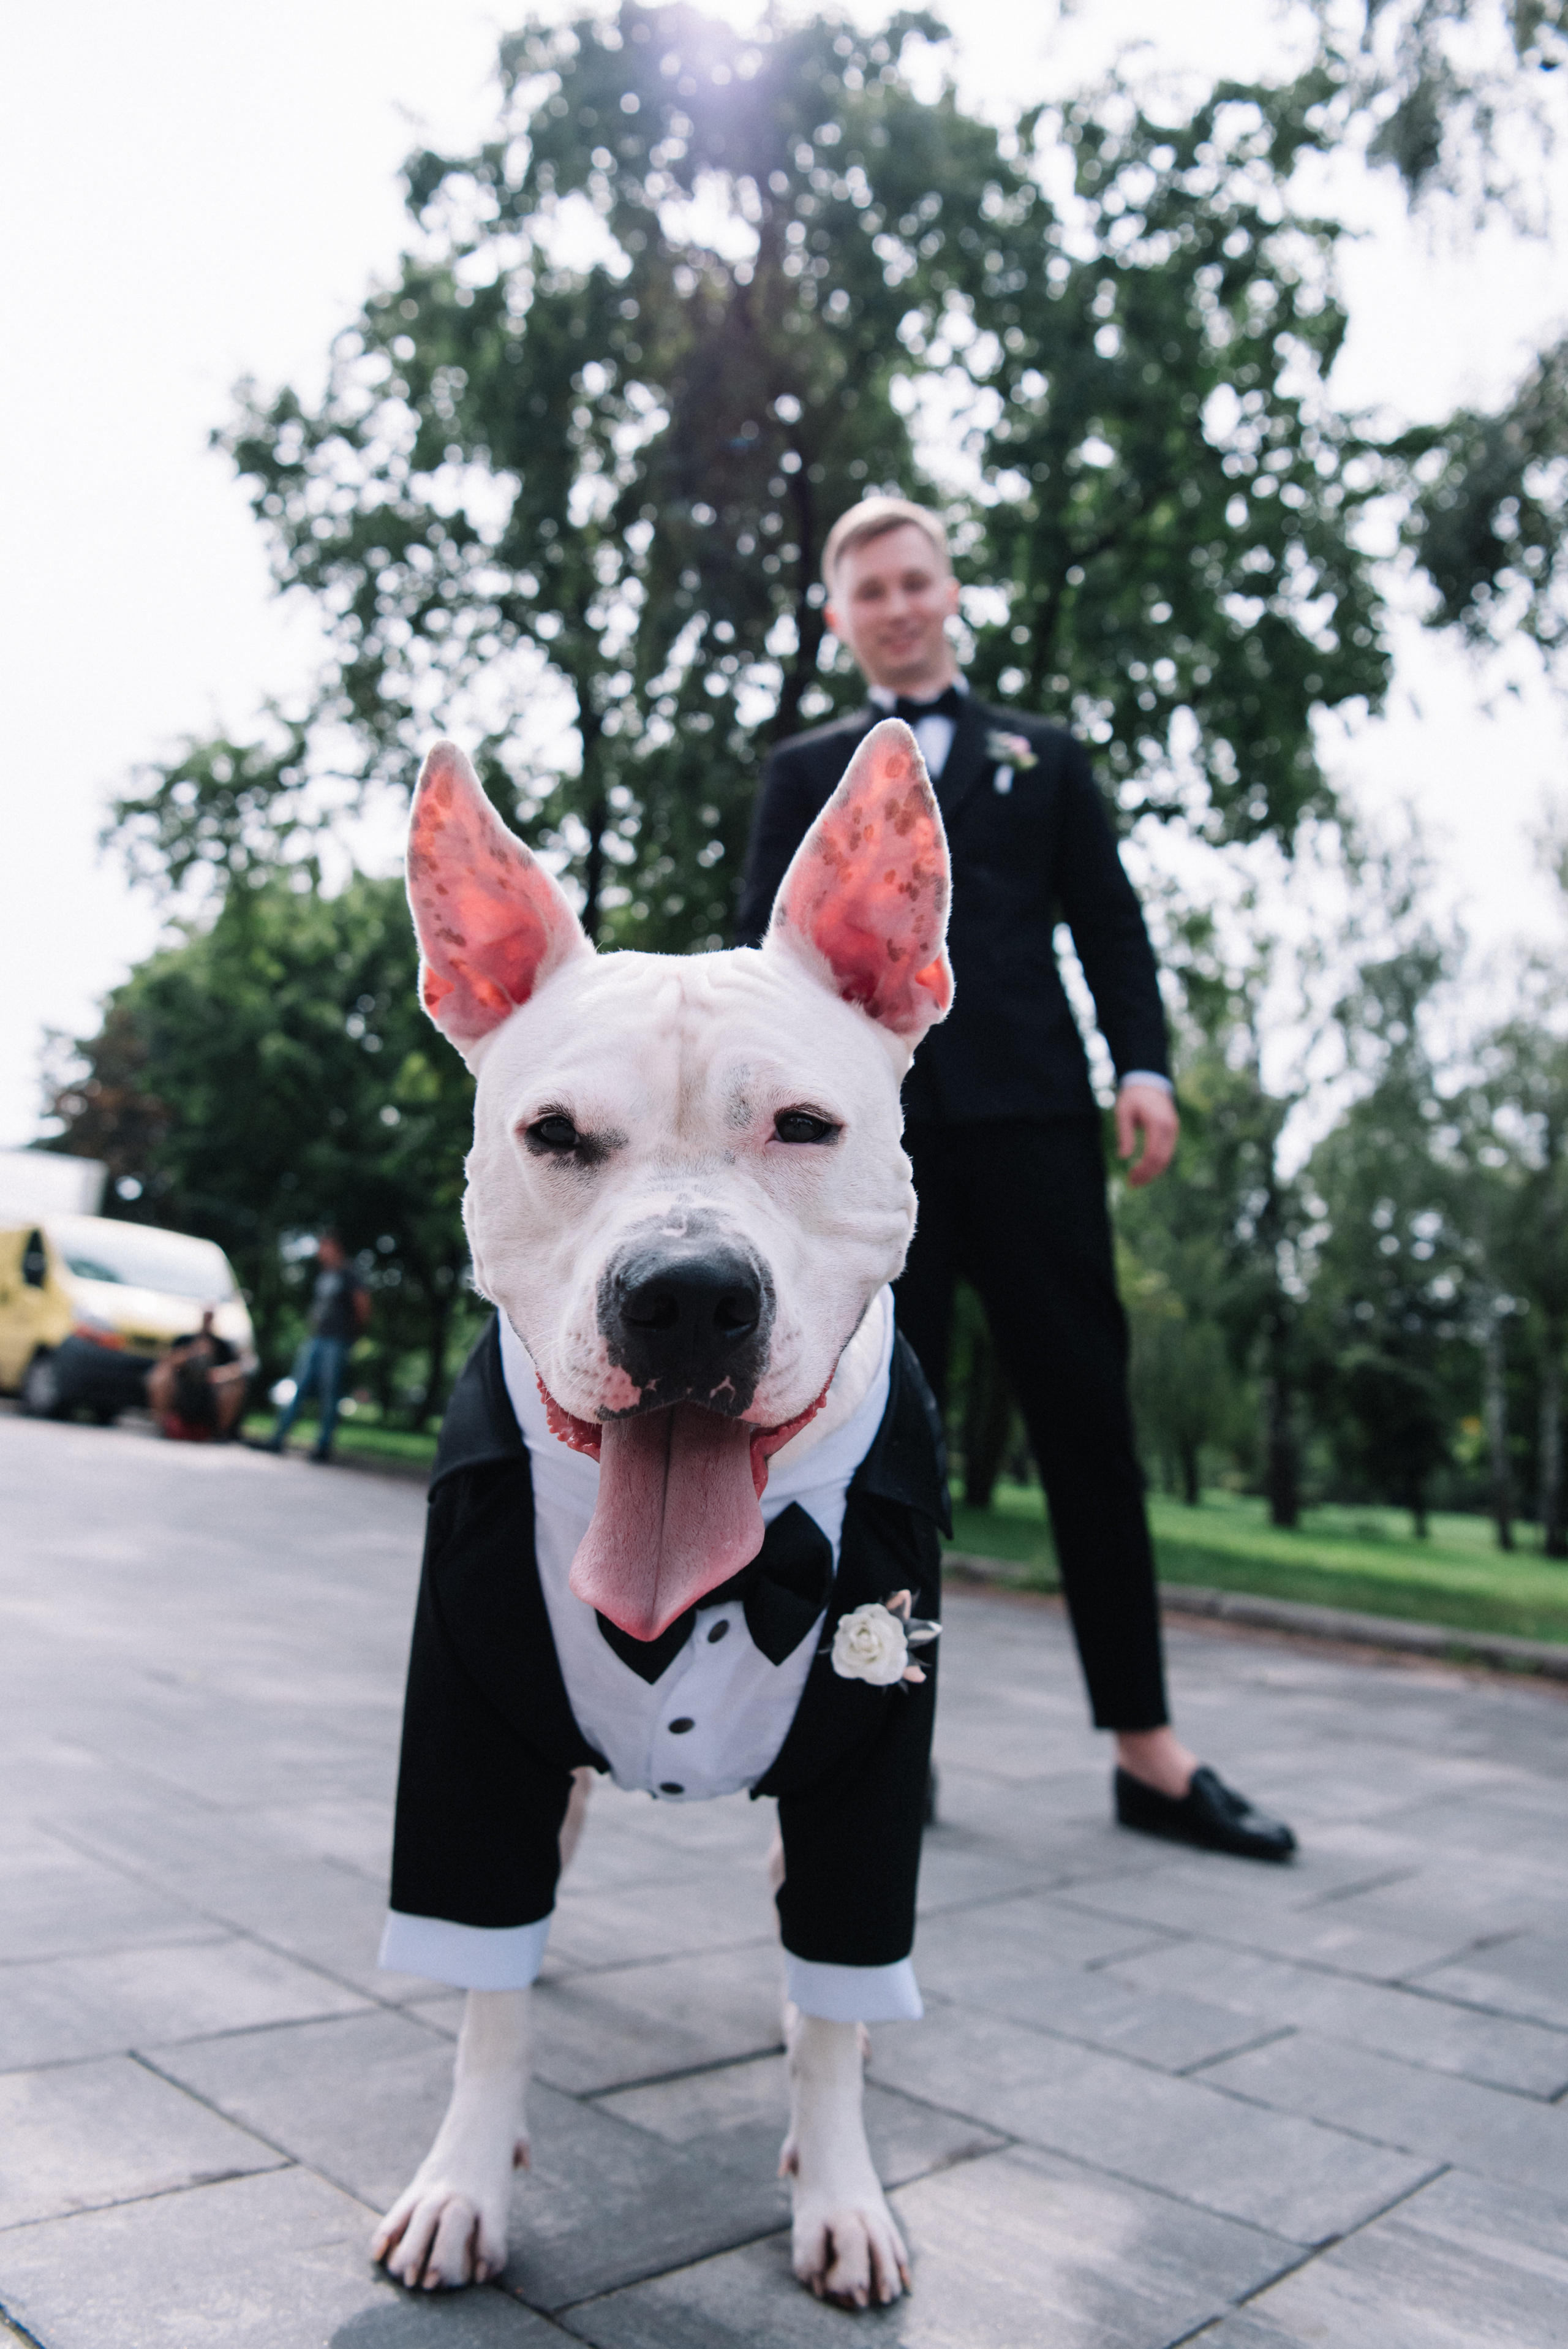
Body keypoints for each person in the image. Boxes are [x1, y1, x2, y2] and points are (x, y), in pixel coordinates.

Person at [736, 496, 1294, 1861]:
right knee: (873, 1437)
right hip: (862, 1145)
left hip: (1034, 1124)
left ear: (949, 591)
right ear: (838, 614)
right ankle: (880, 1732)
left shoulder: (1041, 758)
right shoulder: (796, 767)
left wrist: (1143, 1067)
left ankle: (1146, 1752)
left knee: (1087, 1426)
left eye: (916, 579)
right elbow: (757, 966)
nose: (898, 604)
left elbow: (1107, 919)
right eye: (869, 588)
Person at [265, 1233, 369, 1463]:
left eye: (324, 1247)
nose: (320, 1252)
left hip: (337, 1340)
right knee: (299, 1387)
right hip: (317, 1339)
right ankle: (279, 1437)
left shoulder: (349, 1273)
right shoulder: (325, 1274)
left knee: (329, 1392)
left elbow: (362, 1304)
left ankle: (323, 1447)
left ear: (335, 1247)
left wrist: (352, 1335)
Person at [147, 1307, 247, 1442]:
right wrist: (192, 1353)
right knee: (159, 1376)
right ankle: (163, 1426)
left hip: (211, 1391)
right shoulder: (185, 1340)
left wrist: (218, 1374)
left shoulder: (222, 1346)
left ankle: (220, 1434)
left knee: (236, 1386)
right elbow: (166, 1361)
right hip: (181, 1389)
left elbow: (238, 1368)